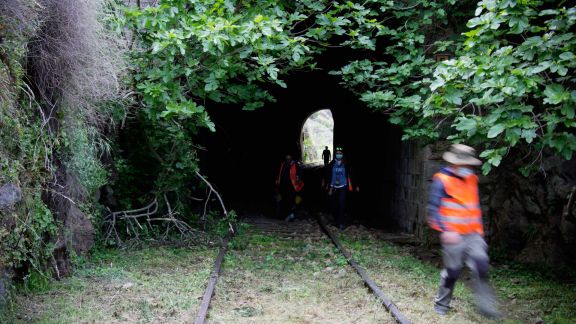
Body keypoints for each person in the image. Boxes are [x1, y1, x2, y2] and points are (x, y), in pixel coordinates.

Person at [428, 144, 501, 318]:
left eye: (470, 165)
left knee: (481, 266)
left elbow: (473, 206)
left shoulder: (472, 179)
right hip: (453, 235)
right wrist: (446, 230)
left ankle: (486, 307)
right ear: (455, 164)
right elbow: (432, 210)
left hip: (473, 234)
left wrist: (478, 231)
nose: (468, 168)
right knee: (452, 272)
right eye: (465, 164)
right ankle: (441, 305)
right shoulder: (441, 179)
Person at [322, 147, 359, 230]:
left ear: (343, 154)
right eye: (337, 153)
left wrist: (356, 185)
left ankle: (340, 223)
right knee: (334, 205)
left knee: (341, 204)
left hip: (343, 186)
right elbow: (327, 173)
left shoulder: (346, 164)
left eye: (340, 153)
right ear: (335, 154)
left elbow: (352, 174)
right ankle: (336, 219)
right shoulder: (332, 164)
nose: (339, 155)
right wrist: (324, 181)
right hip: (333, 187)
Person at [275, 154, 304, 222]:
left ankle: (293, 214)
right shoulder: (283, 164)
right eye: (286, 159)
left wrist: (298, 178)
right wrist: (277, 181)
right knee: (283, 200)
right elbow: (279, 173)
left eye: (289, 159)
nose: (288, 160)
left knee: (294, 200)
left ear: (291, 159)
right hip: (283, 186)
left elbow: (299, 173)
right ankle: (284, 215)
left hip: (293, 186)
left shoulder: (295, 164)